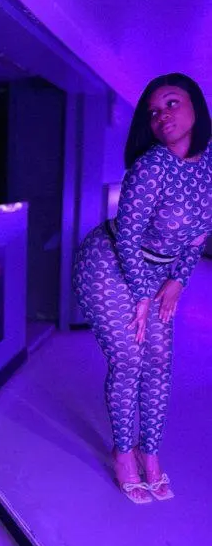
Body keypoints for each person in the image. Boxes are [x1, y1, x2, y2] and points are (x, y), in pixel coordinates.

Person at [73, 73, 212, 504]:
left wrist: (178, 280)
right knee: (129, 360)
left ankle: (149, 454)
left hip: (157, 273)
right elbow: (128, 238)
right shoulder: (152, 166)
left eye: (171, 103)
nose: (161, 116)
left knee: (159, 362)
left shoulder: (209, 164)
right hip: (109, 265)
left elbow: (198, 235)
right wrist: (142, 295)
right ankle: (123, 453)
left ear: (196, 106)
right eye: (153, 112)